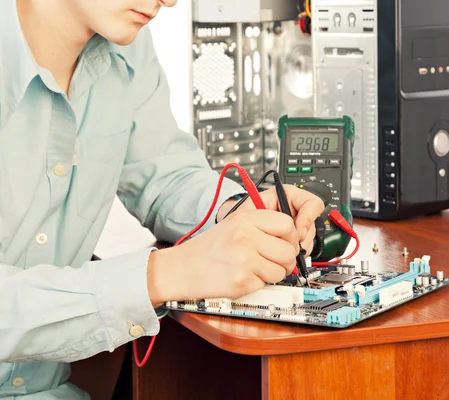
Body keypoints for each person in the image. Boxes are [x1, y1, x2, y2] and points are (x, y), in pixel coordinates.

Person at [0, 0, 324, 398]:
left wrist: (239, 211)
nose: (170, 0)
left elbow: (162, 173)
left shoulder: (125, 46)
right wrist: (161, 276)